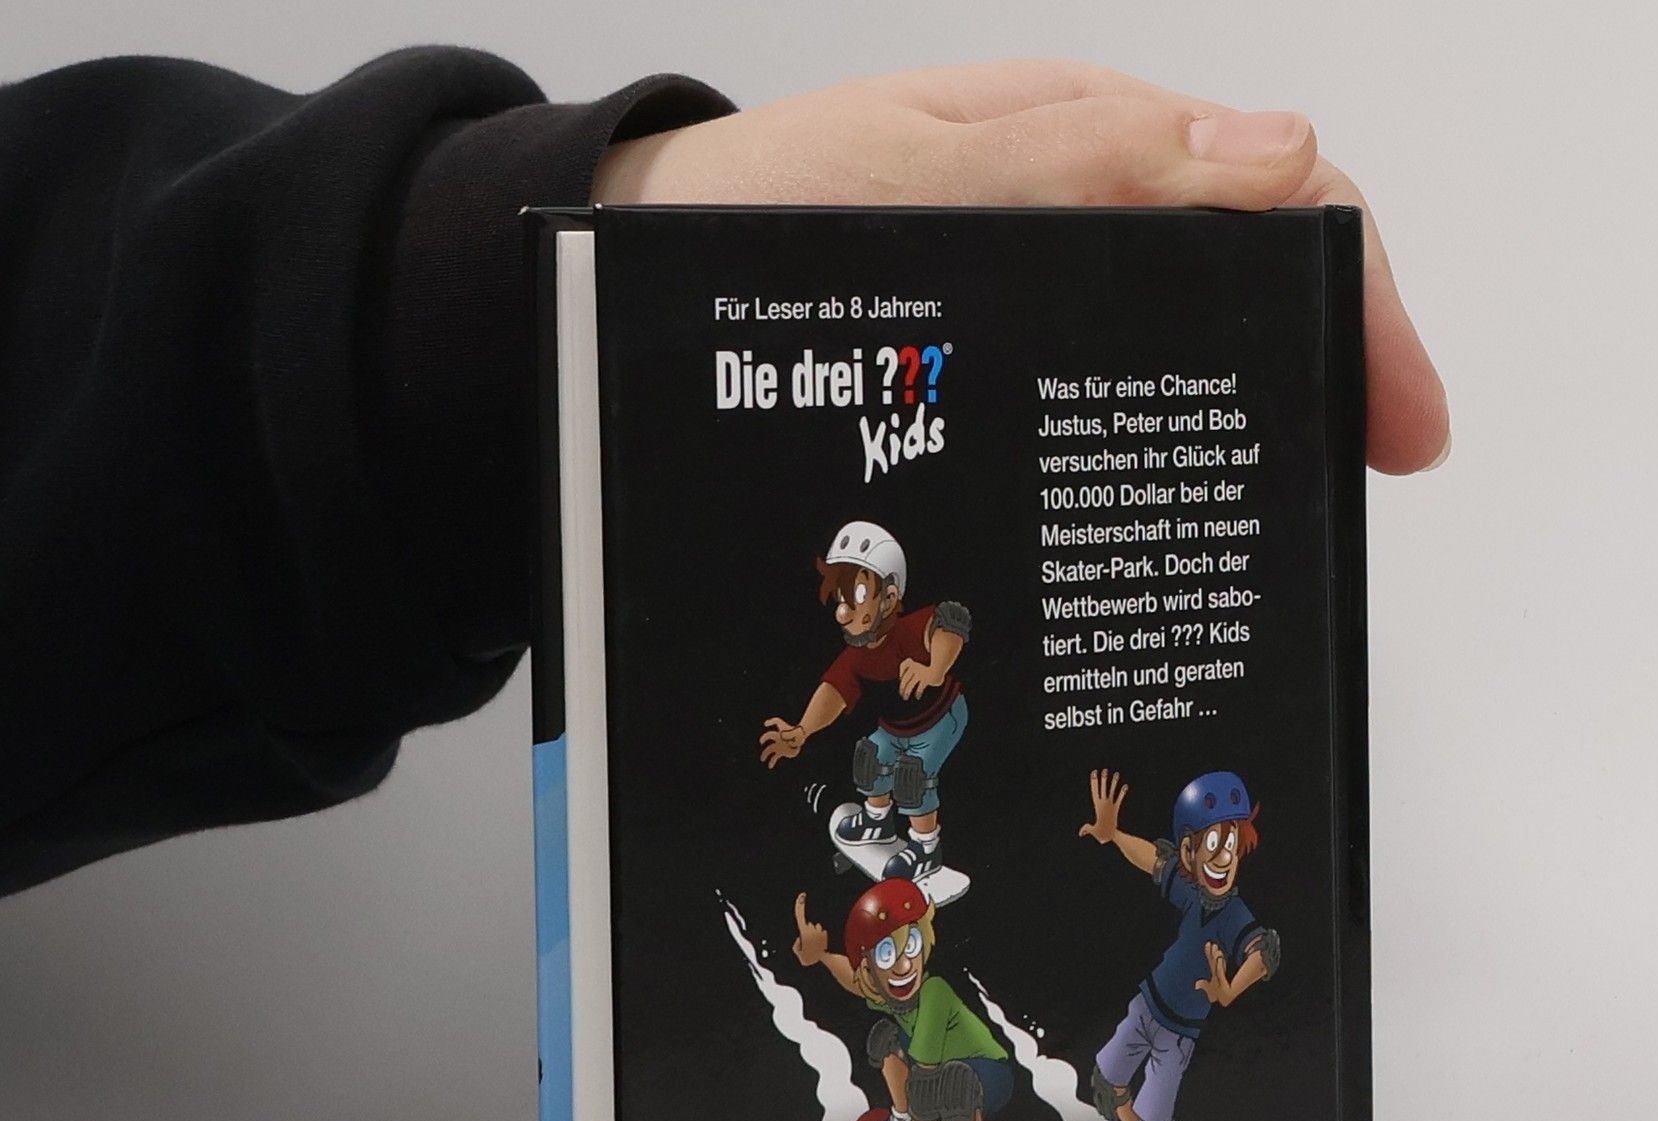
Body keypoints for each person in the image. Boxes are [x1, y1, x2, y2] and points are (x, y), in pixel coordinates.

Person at [0, 55, 1448, 899]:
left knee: (908, 782)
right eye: (850, 591)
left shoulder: (919, 634)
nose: (858, 606)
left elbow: (952, 632)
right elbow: (832, 690)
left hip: (945, 740)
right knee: (868, 790)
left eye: (865, 591)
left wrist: (505, 295)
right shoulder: (853, 651)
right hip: (892, 763)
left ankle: (918, 852)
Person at [1079, 768, 1279, 1121]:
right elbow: (1154, 861)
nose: (1224, 857)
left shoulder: (1234, 914)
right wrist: (1113, 835)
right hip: (1146, 1006)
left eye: (1231, 844)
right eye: (1214, 844)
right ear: (1189, 851)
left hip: (1178, 1034)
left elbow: (1262, 952)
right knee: (1108, 1080)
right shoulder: (1191, 891)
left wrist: (1229, 989)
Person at [790, 882, 1012, 1121]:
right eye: (886, 954)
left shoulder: (935, 992)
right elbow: (854, 980)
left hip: (986, 1075)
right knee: (884, 1037)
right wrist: (820, 955)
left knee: (952, 1084)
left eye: (910, 946)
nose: (904, 965)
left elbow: (926, 1099)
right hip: (938, 1072)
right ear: (870, 966)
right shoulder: (891, 992)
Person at [760, 522, 972, 884]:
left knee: (912, 774)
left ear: (888, 598)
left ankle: (926, 847)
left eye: (857, 596)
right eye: (841, 601)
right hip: (895, 729)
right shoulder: (856, 657)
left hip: (941, 718)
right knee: (870, 757)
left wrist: (935, 669)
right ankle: (877, 821)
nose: (843, 613)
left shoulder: (910, 631)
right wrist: (802, 731)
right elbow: (833, 692)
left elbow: (952, 622)